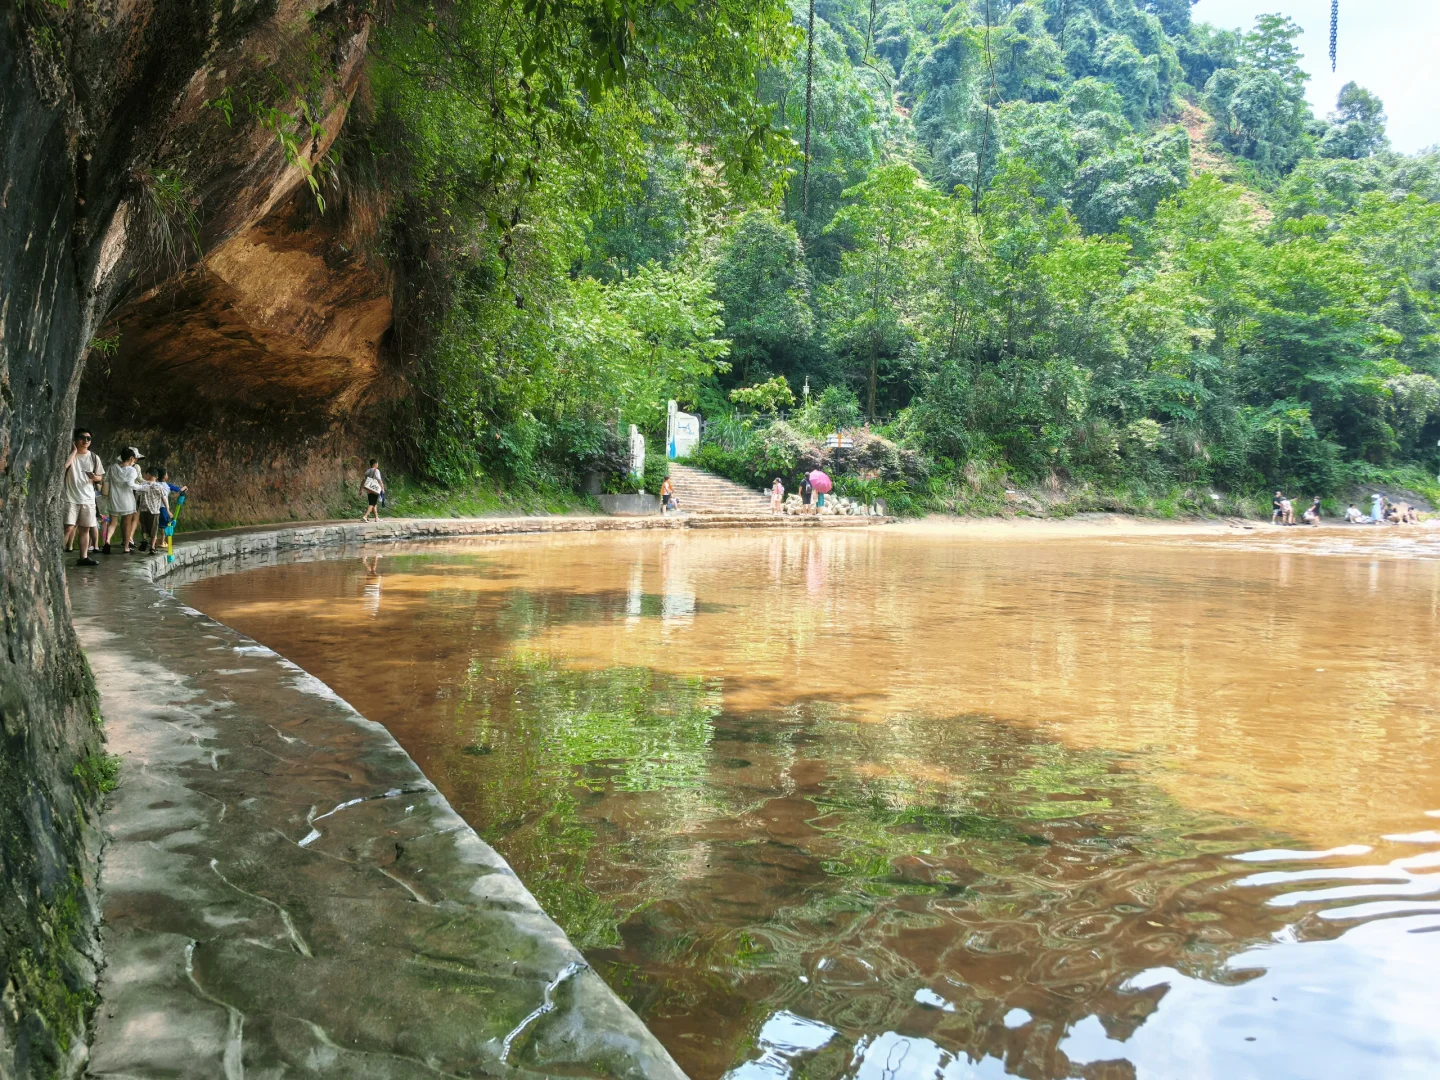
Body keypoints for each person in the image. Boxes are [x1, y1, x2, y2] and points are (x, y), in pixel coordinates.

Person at [63, 428, 104, 566]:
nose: (85, 441)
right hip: (70, 497)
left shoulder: (94, 457)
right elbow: (64, 466)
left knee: (85, 528)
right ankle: (57, 555)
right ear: (75, 439)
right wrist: (74, 451)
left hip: (88, 498)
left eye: (88, 438)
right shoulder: (69, 455)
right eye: (82, 437)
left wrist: (95, 477)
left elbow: (100, 477)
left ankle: (83, 557)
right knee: (68, 527)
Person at [103, 447, 144, 553]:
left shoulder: (113, 468)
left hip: (114, 498)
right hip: (127, 500)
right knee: (127, 523)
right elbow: (131, 484)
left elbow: (107, 480)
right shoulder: (132, 470)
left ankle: (107, 541)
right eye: (134, 458)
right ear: (131, 458)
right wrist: (143, 487)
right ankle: (126, 547)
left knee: (112, 523)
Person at [136, 465, 166, 552]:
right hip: (154, 512)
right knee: (154, 530)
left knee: (144, 527)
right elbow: (163, 498)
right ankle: (152, 547)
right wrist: (167, 509)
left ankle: (144, 540)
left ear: (148, 475)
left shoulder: (141, 485)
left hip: (143, 510)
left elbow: (137, 496)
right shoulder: (159, 487)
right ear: (156, 477)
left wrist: (136, 507)